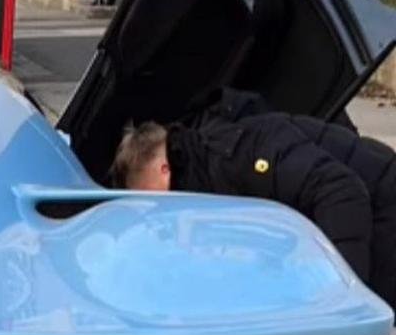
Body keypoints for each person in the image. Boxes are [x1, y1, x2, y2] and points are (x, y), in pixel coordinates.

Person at [110, 117, 373, 285]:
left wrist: (345, 292)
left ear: (163, 169)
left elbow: (342, 192)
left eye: (152, 198)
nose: (159, 213)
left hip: (382, 203)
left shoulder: (233, 156)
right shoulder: (206, 172)